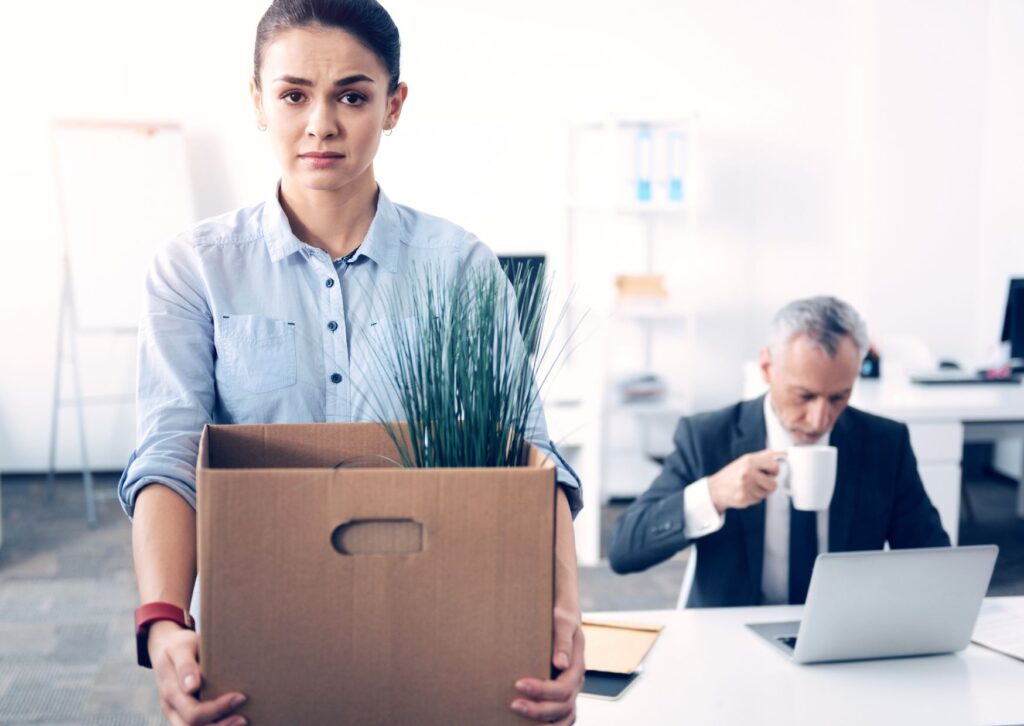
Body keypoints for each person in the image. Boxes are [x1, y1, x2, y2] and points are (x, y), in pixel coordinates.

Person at [118, 2, 584, 724]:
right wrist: (163, 619)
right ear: (257, 100)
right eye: (294, 94)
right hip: (250, 637)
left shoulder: (460, 268)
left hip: (438, 623)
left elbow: (528, 455)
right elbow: (170, 454)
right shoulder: (195, 269)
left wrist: (562, 612)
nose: (321, 124)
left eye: (353, 96)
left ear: (394, 105)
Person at [608, 296, 950, 607]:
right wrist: (711, 494)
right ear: (767, 367)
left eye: (838, 397)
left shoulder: (884, 443)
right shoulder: (708, 437)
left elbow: (935, 562)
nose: (820, 419)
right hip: (731, 639)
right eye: (804, 395)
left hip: (843, 637)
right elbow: (624, 550)